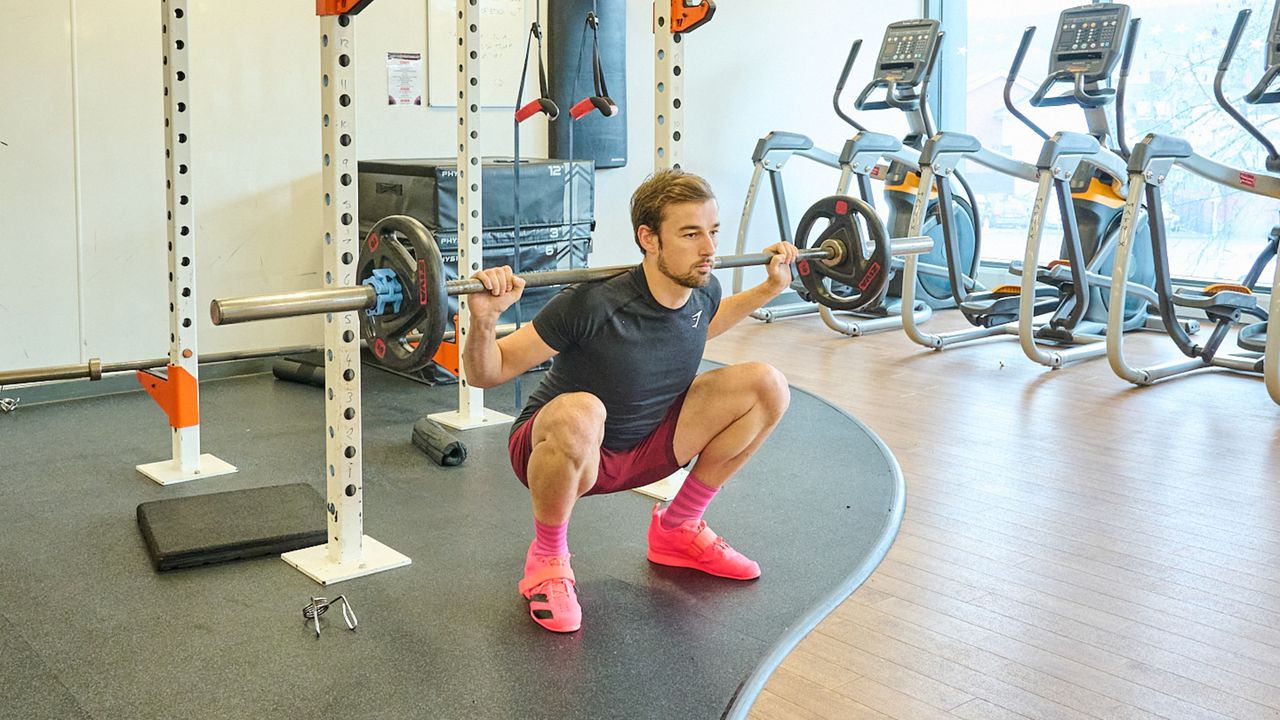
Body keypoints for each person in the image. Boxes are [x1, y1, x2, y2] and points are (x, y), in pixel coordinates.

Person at [463, 168, 798, 633]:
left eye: (713, 232)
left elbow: (700, 327)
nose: (709, 249)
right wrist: (483, 320)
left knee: (768, 385)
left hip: (648, 443)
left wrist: (769, 289)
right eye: (690, 234)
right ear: (649, 238)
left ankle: (679, 528)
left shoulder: (705, 289)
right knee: (582, 411)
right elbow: (487, 373)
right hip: (567, 450)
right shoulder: (591, 303)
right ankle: (547, 559)